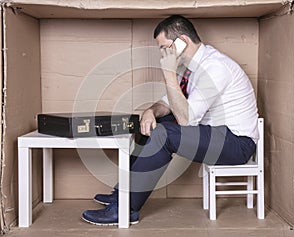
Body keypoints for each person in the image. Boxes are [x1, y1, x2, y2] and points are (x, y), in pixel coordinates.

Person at [82, 15, 258, 226]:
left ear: (182, 40)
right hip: (215, 133)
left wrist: (168, 73)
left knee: (163, 134)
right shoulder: (191, 68)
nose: (163, 54)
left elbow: (185, 119)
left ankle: (125, 209)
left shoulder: (215, 67)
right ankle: (122, 193)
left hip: (236, 143)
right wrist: (151, 111)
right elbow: (169, 103)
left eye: (165, 47)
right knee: (149, 125)